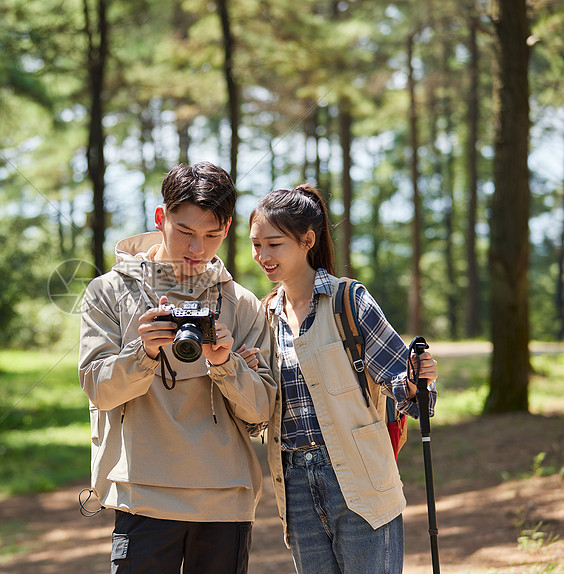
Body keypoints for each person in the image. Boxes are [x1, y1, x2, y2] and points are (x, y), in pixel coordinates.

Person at [78, 161, 277, 574]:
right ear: (160, 218)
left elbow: (261, 411)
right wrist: (143, 353)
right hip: (143, 493)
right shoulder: (108, 292)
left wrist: (225, 364)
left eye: (211, 235)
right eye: (185, 231)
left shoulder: (242, 304)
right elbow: (98, 389)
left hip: (226, 498)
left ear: (226, 230)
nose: (196, 249)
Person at [248, 184, 439, 573]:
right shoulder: (263, 316)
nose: (262, 256)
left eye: (273, 244)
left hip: (358, 478)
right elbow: (258, 416)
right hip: (295, 484)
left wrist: (419, 382)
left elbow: (401, 384)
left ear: (307, 241)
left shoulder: (347, 301)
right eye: (256, 245)